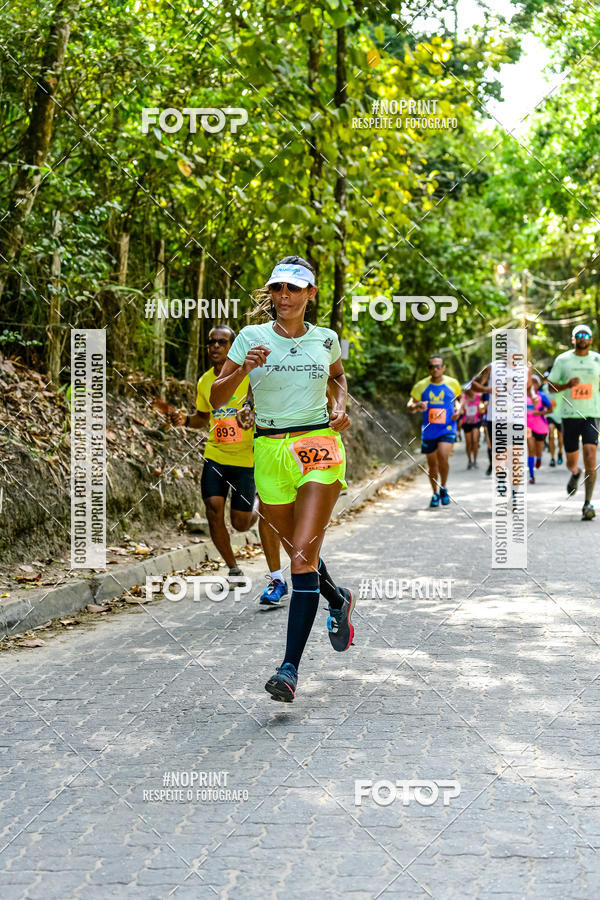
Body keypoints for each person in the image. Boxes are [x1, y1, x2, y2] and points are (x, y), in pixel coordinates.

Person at [210, 256, 353, 702]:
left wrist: (340, 407)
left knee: (300, 558)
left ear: (311, 294)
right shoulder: (251, 337)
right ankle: (337, 598)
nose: (284, 296)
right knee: (297, 549)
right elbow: (217, 397)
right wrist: (239, 369)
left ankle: (289, 669)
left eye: (294, 289)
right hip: (269, 450)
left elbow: (339, 379)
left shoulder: (326, 339)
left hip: (318, 448)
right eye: (277, 289)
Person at [173, 325, 287, 601]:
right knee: (213, 509)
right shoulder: (204, 382)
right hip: (216, 455)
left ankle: (257, 507)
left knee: (239, 523)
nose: (215, 346)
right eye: (211, 342)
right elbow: (203, 417)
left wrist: (253, 416)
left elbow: (268, 409)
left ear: (233, 346)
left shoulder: (250, 377)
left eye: (222, 342)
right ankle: (234, 569)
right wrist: (185, 421)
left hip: (246, 458)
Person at [547, 324, 600, 520]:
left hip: (591, 415)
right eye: (579, 335)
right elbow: (551, 387)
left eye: (586, 335)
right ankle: (575, 473)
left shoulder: (597, 359)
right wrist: (567, 385)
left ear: (591, 339)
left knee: (591, 456)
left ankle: (587, 503)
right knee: (571, 461)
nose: (582, 338)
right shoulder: (563, 360)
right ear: (573, 339)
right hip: (570, 415)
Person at [407, 356, 461, 507]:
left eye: (438, 366)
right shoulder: (421, 385)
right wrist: (417, 405)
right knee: (432, 463)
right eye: (432, 367)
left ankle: (443, 487)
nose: (435, 369)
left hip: (448, 427)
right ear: (428, 369)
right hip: (429, 429)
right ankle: (435, 492)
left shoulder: (453, 383)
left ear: (443, 367)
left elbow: (459, 399)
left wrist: (459, 409)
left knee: (443, 456)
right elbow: (410, 403)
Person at [526, 371, 552, 483]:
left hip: (540, 427)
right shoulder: (522, 396)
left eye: (535, 382)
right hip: (527, 426)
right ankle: (531, 475)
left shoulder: (542, 396)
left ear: (538, 385)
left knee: (538, 450)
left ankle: (539, 458)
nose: (533, 385)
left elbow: (550, 409)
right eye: (531, 382)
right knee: (531, 449)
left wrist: (540, 413)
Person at [458, 383, 482, 469]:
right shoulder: (463, 397)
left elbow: (480, 407)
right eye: (467, 390)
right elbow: (460, 409)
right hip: (466, 422)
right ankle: (469, 460)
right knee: (469, 443)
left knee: (475, 441)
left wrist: (481, 410)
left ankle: (475, 460)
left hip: (476, 422)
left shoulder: (478, 396)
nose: (469, 391)